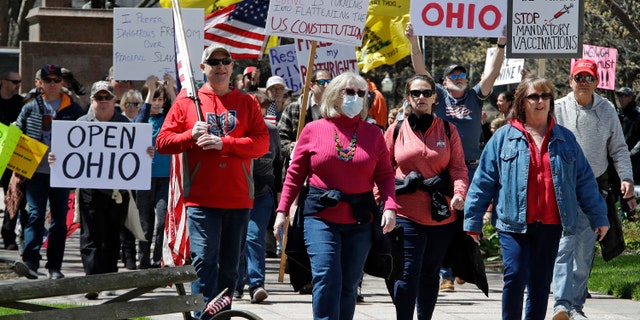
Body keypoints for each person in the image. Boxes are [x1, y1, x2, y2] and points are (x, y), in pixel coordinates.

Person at [464, 75, 609, 320]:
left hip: (551, 223)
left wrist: (598, 216)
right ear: (522, 101)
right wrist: (473, 220)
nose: (540, 101)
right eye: (533, 96)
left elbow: (584, 181)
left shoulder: (565, 138)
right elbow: (483, 181)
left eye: (545, 96)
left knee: (540, 283)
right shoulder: (503, 137)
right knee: (516, 274)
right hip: (513, 223)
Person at [156, 44, 269, 317]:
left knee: (230, 267)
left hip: (239, 198)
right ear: (203, 68)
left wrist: (224, 143)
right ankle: (201, 315)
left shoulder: (247, 102)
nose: (220, 66)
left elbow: (261, 144)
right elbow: (162, 143)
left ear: (232, 67)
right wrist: (188, 136)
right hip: (201, 200)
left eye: (225, 61)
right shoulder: (187, 102)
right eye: (213, 61)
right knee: (205, 261)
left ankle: (221, 315)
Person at [273, 71, 397, 320]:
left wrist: (391, 206)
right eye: (349, 92)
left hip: (360, 219)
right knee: (327, 277)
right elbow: (295, 175)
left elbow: (385, 174)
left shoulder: (373, 134)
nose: (356, 97)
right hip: (320, 217)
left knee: (350, 285)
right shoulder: (313, 129)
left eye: (361, 93)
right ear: (334, 95)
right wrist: (282, 212)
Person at [405, 22, 506, 292]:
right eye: (453, 75)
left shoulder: (474, 96)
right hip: (445, 169)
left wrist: (501, 44)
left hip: (473, 168)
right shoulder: (437, 98)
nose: (459, 77)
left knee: (470, 219)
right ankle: (446, 274)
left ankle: (463, 266)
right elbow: (419, 70)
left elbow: (493, 72)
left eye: (462, 74)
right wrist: (413, 40)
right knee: (446, 217)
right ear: (443, 82)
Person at [552, 59, 636, 320]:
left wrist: (627, 178)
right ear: (570, 81)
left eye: (589, 77)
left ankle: (576, 307)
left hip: (594, 188)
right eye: (579, 77)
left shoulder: (607, 109)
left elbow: (619, 149)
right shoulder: (557, 108)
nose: (583, 82)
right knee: (564, 246)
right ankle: (561, 305)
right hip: (563, 187)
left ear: (597, 82)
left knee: (584, 250)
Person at [384, 74, 468, 319]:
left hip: (441, 215)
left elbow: (459, 168)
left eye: (426, 93)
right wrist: (384, 202)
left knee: (430, 273)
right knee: (407, 273)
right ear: (407, 98)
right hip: (404, 213)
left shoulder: (448, 129)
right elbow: (382, 170)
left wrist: (459, 194)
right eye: (415, 93)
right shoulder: (396, 129)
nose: (421, 97)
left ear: (435, 97)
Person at [12, 64, 84, 280]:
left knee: (59, 221)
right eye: (48, 80)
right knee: (34, 215)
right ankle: (31, 263)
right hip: (35, 172)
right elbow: (18, 128)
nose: (52, 84)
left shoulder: (73, 108)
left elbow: (85, 134)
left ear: (62, 83)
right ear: (40, 83)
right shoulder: (31, 106)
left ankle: (55, 267)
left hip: (62, 173)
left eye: (56, 80)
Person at [276, 68, 332, 294]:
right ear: (311, 85)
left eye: (330, 82)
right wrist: (299, 149)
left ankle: (322, 277)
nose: (326, 86)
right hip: (298, 178)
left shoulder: (334, 111)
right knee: (295, 229)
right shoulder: (295, 110)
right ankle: (301, 279)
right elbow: (280, 139)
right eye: (321, 82)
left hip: (324, 179)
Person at [236, 90, 283, 303]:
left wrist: (280, 192)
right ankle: (235, 283)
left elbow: (279, 163)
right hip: (237, 192)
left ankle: (256, 284)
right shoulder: (237, 129)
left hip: (263, 194)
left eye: (262, 107)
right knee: (236, 239)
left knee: (253, 236)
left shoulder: (272, 131)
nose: (258, 111)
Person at [0, 70, 23, 250]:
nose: (18, 85)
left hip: (12, 155)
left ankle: (9, 236)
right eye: (14, 82)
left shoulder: (20, 103)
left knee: (12, 196)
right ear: (3, 82)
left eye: (19, 82)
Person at [615, 87, 640, 220]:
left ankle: (633, 219)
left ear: (631, 97)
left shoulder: (638, 114)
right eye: (619, 95)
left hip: (635, 160)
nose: (621, 98)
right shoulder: (617, 115)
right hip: (618, 159)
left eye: (624, 96)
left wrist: (633, 151)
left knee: (633, 189)